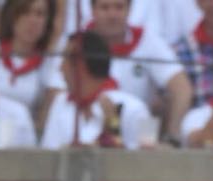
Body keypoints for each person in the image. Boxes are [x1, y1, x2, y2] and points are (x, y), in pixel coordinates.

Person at [70, 0, 193, 140]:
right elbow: (61, 90)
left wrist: (172, 133)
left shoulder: (147, 40)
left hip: (141, 126)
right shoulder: (77, 43)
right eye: (105, 7)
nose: (112, 15)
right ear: (92, 11)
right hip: (91, 125)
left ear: (129, 10)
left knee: (147, 154)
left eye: (119, 7)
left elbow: (182, 89)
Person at [39, 31, 154, 148]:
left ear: (80, 65)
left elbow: (155, 160)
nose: (60, 68)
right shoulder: (60, 102)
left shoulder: (139, 108)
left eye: (64, 60)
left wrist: (114, 131)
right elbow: (48, 156)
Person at [0, 0, 57, 118]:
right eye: (25, 13)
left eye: (39, 14)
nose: (32, 21)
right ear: (12, 16)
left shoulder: (51, 63)